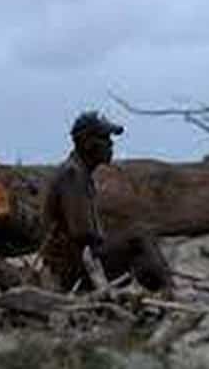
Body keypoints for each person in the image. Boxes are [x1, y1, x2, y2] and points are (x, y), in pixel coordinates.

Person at [39, 111, 173, 292]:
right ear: (88, 144)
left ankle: (164, 289)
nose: (111, 145)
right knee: (139, 238)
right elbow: (83, 234)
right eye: (105, 139)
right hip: (70, 268)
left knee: (139, 242)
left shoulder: (81, 174)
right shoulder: (72, 175)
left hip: (79, 261)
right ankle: (169, 291)